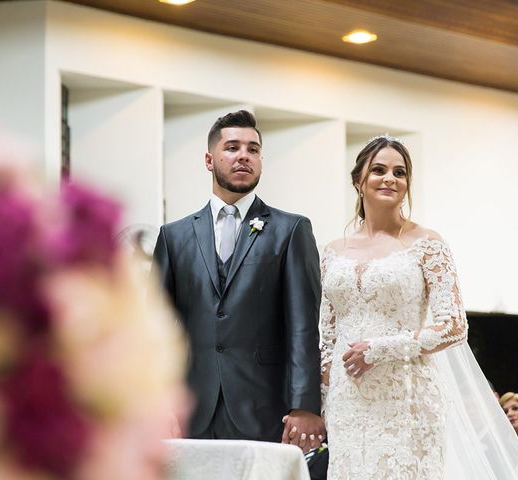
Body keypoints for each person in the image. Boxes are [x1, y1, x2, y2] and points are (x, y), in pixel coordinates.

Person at [153, 110, 325, 451]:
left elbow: (304, 326)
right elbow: (154, 328)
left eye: (253, 149)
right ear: (209, 159)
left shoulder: (291, 230)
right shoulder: (173, 236)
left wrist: (304, 405)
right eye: (232, 147)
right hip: (190, 410)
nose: (244, 155)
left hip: (264, 408)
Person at [319, 135, 469, 479]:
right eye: (379, 170)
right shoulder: (332, 250)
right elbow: (328, 335)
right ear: (358, 181)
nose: (390, 178)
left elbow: (454, 325)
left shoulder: (427, 243)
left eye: (399, 173)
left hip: (406, 397)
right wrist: (324, 397)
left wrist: (380, 349)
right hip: (347, 403)